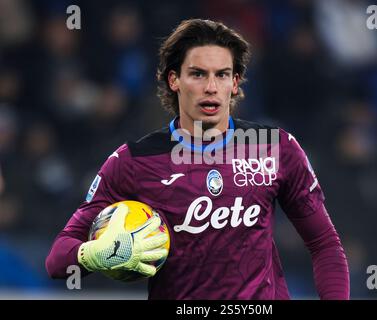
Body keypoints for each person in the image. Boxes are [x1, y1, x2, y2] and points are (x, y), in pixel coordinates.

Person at [46, 19, 350, 300]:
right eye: (198, 74)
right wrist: (91, 254)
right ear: (174, 79)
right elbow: (57, 259)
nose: (211, 87)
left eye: (222, 75)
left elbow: (325, 245)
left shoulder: (275, 148)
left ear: (235, 82)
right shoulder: (134, 161)